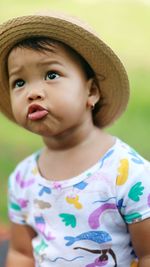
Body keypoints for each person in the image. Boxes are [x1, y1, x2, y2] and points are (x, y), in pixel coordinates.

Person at [0, 11, 149, 267]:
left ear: (91, 91)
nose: (32, 93)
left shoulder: (129, 174)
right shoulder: (23, 179)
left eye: (51, 75)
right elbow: (21, 254)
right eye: (20, 82)